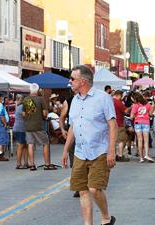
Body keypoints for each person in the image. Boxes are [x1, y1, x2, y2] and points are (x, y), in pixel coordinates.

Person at [61, 65, 117, 225]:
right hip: (80, 152)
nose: (70, 81)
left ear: (83, 81)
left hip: (99, 151)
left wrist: (111, 151)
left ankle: (106, 217)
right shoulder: (75, 101)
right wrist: (65, 150)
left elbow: (112, 125)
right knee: (83, 190)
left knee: (94, 188)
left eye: (72, 79)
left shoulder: (103, 98)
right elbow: (73, 126)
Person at [22, 83, 56, 171]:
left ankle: (32, 164)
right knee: (45, 143)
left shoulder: (25, 100)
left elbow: (23, 114)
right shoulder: (41, 99)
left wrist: (29, 117)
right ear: (37, 90)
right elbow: (45, 114)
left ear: (30, 90)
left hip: (28, 126)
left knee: (30, 144)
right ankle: (47, 164)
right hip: (38, 125)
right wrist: (43, 116)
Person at [130, 92, 154, 163]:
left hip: (137, 123)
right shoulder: (147, 104)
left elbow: (131, 116)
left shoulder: (135, 105)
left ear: (135, 98)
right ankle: (146, 155)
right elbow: (150, 114)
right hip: (146, 123)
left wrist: (135, 116)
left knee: (140, 140)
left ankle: (141, 157)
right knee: (146, 140)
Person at [113, 90, 130, 162]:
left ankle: (113, 155)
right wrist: (131, 107)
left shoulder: (109, 101)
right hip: (119, 123)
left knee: (113, 140)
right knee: (122, 140)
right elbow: (125, 111)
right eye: (121, 96)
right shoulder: (117, 102)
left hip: (111, 123)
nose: (121, 98)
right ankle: (120, 155)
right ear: (118, 95)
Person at [13, 95, 28, 169]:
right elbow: (25, 116)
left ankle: (26, 163)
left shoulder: (19, 106)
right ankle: (18, 164)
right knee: (21, 146)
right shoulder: (22, 107)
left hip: (21, 128)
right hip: (20, 129)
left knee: (25, 146)